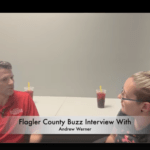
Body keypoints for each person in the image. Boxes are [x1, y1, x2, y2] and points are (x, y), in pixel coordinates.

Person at [0, 61, 42, 143]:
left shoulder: (24, 98)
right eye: (4, 79)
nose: (11, 82)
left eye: (11, 78)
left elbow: (36, 129)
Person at [105, 71, 150, 143]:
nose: (119, 96)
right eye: (122, 91)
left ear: (144, 107)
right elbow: (112, 137)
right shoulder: (124, 113)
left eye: (125, 96)